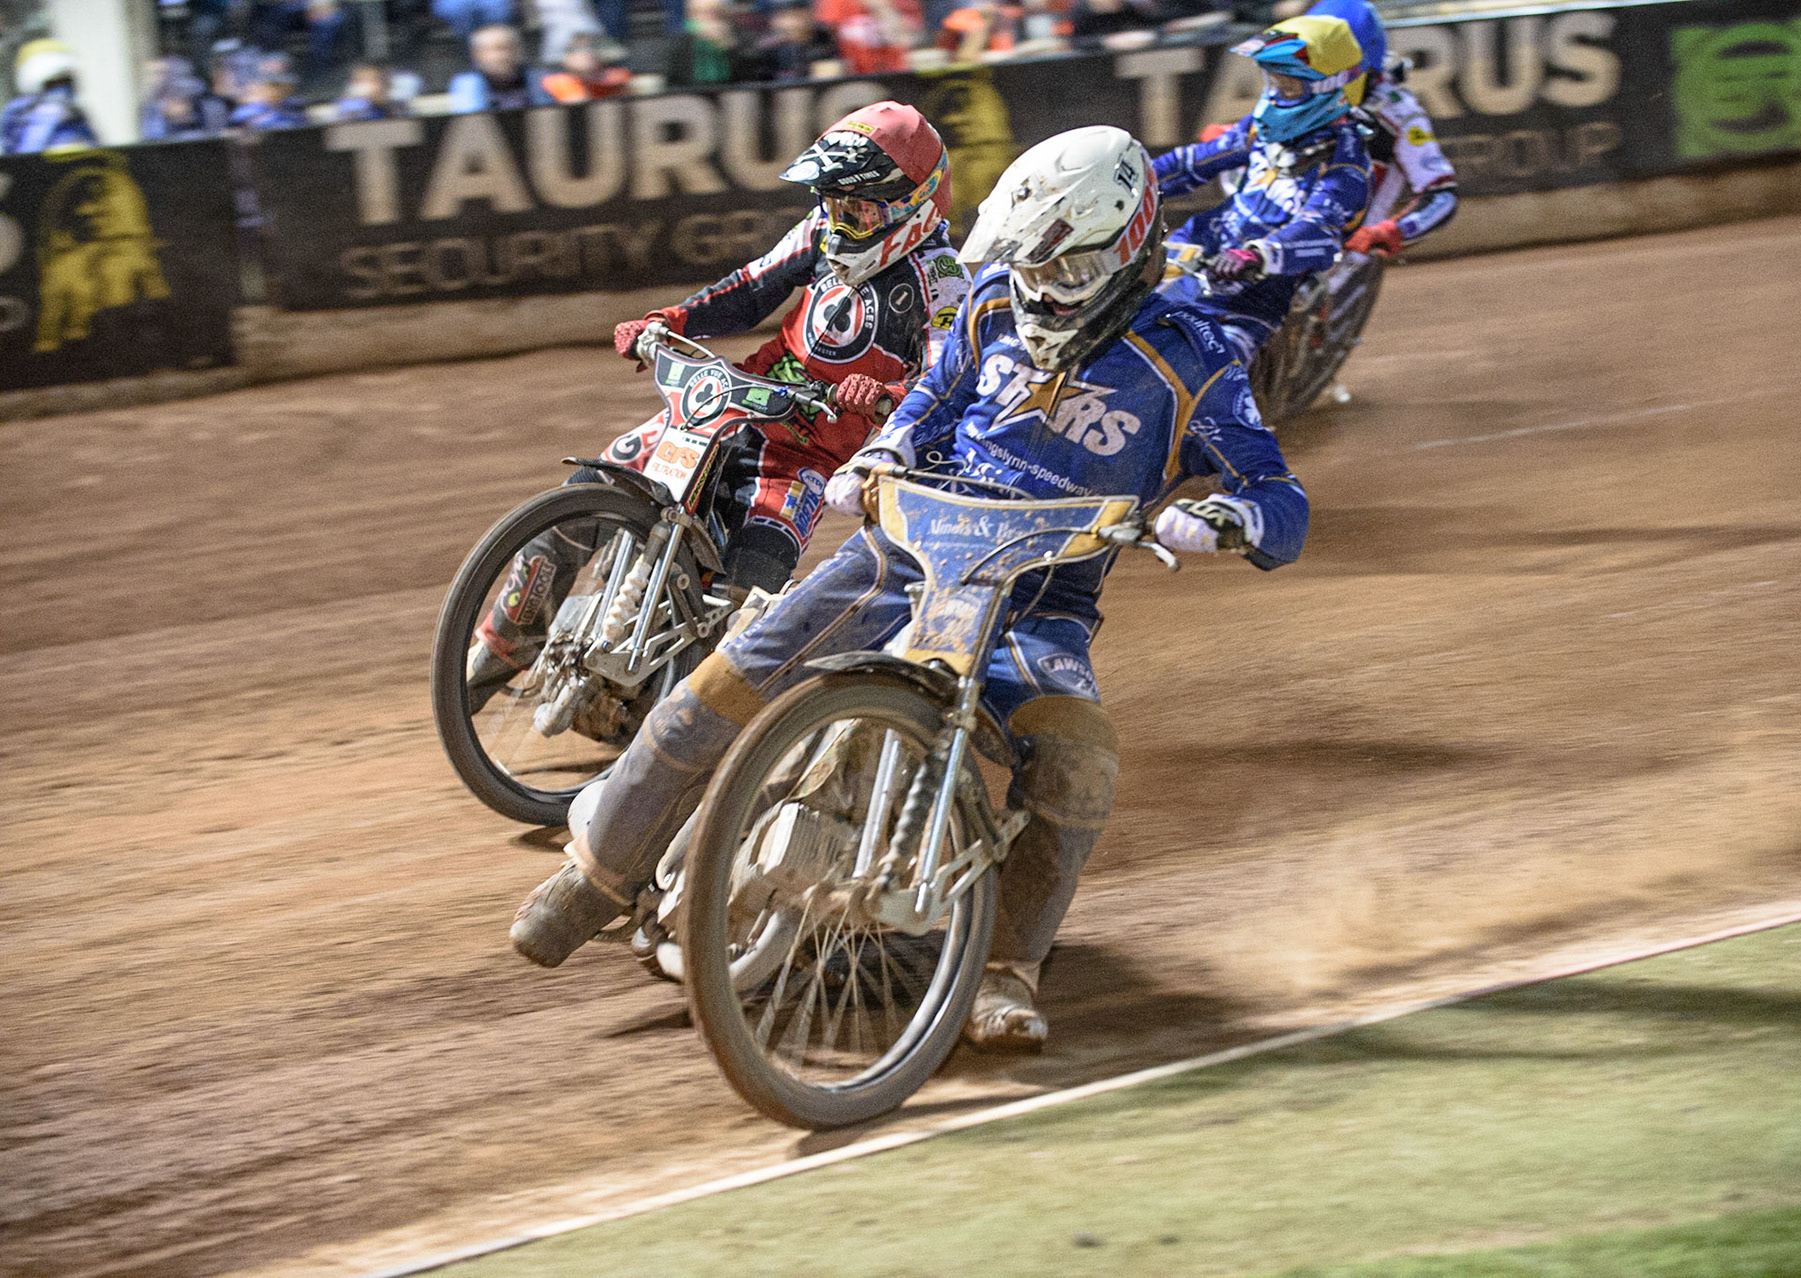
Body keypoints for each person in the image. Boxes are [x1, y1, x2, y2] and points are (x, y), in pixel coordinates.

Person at [507, 125, 1310, 1053]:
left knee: (1081, 759)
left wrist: (1230, 520)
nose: (1037, 286)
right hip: (904, 554)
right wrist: (888, 448)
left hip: (1036, 606)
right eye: (1028, 264)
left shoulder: (1195, 357)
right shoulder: (994, 307)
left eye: (1059, 266)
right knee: (719, 684)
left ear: (1120, 246)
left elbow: (1278, 494)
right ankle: (596, 874)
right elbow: (934, 396)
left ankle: (1007, 967)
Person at [466, 102, 967, 705]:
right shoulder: (820, 234)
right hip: (729, 406)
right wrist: (668, 319)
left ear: (912, 204)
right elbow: (750, 288)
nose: (837, 220)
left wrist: (888, 395)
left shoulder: (942, 281)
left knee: (749, 600)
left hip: (803, 458)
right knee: (583, 503)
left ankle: (670, 722)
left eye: (854, 207)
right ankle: (494, 655)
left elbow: (951, 383)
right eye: (830, 203)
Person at [1151, 15, 1373, 364]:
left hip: (1259, 290)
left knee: (1216, 371)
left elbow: (1319, 227)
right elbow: (1193, 162)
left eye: (1288, 87)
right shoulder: (1258, 129)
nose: (1275, 94)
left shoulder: (1345, 163)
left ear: (1332, 88)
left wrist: (1258, 253)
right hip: (1199, 245)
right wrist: (1133, 178)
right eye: (1273, 81)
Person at [1307, 0, 1458, 257]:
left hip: (1342, 261)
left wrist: (1391, 231)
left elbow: (1442, 195)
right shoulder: (1294, 91)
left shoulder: (1397, 111)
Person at [2, 40, 97, 154]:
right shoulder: (18, 113)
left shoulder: (74, 111)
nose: (62, 91)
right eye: (54, 83)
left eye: (67, 81)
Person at [447, 25, 556, 112]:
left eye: (505, 48)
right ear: (476, 54)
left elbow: (546, 114)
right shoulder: (467, 83)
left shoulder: (536, 79)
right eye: (492, 50)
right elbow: (472, 121)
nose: (501, 57)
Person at [140, 55, 231, 140]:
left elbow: (220, 139)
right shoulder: (152, 111)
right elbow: (153, 142)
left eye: (161, 74)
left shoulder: (211, 108)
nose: (155, 80)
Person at [746, 0, 839, 81]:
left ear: (812, 14)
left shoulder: (824, 40)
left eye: (800, 15)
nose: (794, 23)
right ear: (774, 20)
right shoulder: (766, 50)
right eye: (785, 16)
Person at [541, 34, 633, 100]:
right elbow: (580, 106)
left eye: (590, 48)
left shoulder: (619, 77)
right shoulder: (558, 82)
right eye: (577, 50)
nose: (585, 54)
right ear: (567, 57)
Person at [228, 55, 308, 129]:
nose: (278, 90)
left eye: (283, 85)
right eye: (274, 85)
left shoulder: (292, 104)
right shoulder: (248, 111)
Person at [332, 62, 405, 120]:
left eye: (372, 80)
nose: (366, 86)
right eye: (361, 81)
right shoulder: (347, 103)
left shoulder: (395, 101)